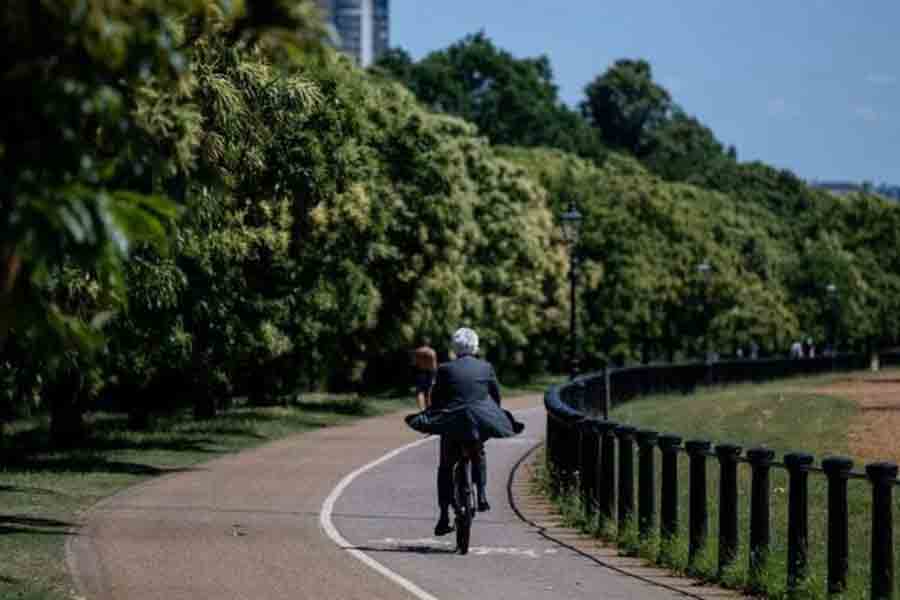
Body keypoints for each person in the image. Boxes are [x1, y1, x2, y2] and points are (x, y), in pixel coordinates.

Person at [404, 327, 523, 537]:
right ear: (476, 347)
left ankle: (443, 517)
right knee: (479, 450)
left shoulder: (444, 369)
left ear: (454, 348)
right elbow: (495, 397)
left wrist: (433, 418)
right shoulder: (486, 367)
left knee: (445, 467)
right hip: (479, 419)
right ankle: (483, 495)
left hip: (452, 421)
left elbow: (438, 399)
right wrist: (492, 414)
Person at [412, 339, 437, 410]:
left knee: (420, 391)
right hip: (430, 372)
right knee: (429, 390)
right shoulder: (432, 352)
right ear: (428, 343)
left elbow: (414, 363)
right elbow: (434, 365)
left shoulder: (417, 351)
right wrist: (434, 375)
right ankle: (428, 408)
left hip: (420, 371)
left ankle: (421, 409)